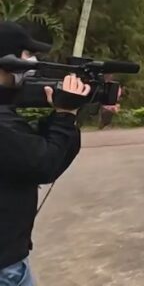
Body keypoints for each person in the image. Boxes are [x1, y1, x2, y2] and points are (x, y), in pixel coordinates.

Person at [0, 21, 90, 286]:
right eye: (27, 55)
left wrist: (62, 116)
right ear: (8, 61)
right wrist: (64, 117)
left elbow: (31, 153)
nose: (34, 62)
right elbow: (44, 164)